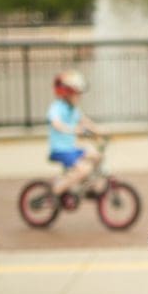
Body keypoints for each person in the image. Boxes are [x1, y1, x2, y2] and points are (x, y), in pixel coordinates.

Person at [48, 70, 105, 200]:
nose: (79, 97)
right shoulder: (56, 107)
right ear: (67, 93)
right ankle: (56, 191)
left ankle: (88, 187)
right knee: (84, 170)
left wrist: (99, 131)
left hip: (71, 148)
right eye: (77, 94)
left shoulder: (74, 109)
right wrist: (74, 130)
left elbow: (86, 122)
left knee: (97, 156)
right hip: (60, 150)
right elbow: (56, 124)